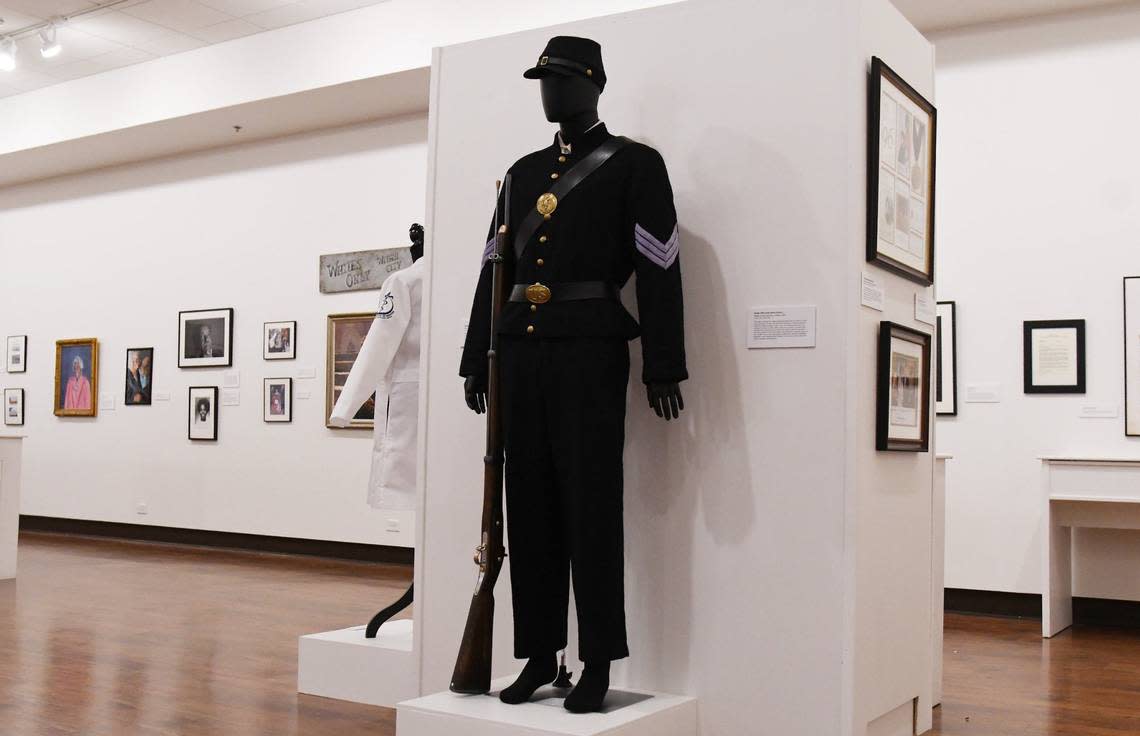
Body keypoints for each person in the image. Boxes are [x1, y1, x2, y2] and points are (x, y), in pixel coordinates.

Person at [459, 38, 687, 713]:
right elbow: (493, 272)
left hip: (590, 351)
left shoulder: (636, 166)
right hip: (521, 354)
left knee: (591, 506)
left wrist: (664, 364)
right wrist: (477, 356)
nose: (549, 93)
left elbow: (660, 268)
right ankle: (537, 653)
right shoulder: (520, 174)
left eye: (559, 81)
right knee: (525, 506)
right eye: (543, 81)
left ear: (593, 86)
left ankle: (595, 662)